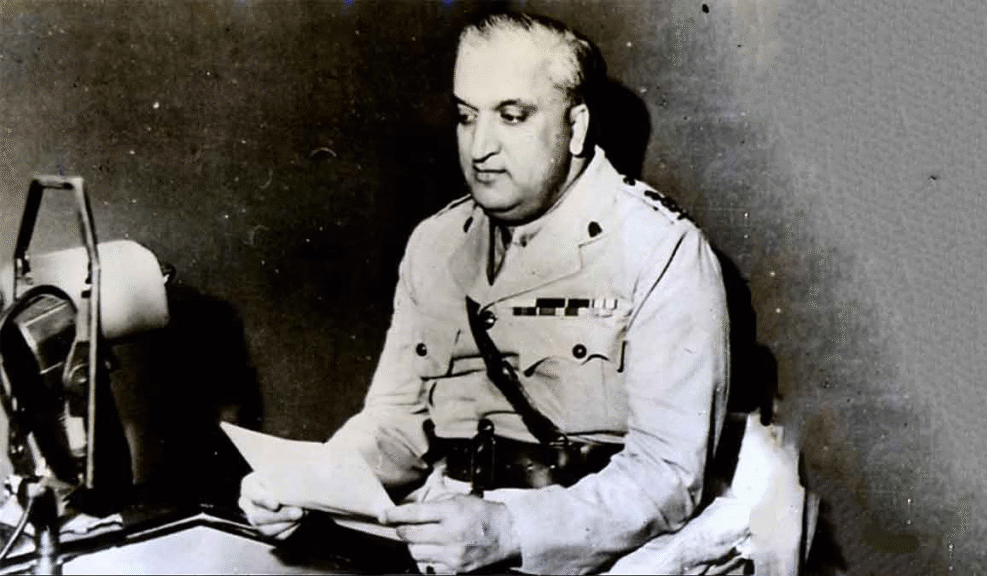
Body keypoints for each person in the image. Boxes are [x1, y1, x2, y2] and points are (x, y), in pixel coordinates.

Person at [240, 11, 730, 574]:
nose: (479, 148)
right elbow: (397, 423)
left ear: (576, 126)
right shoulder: (436, 243)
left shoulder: (660, 250)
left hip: (591, 549)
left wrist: (512, 530)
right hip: (441, 535)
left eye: (512, 116)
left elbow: (667, 475)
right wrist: (309, 484)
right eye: (466, 116)